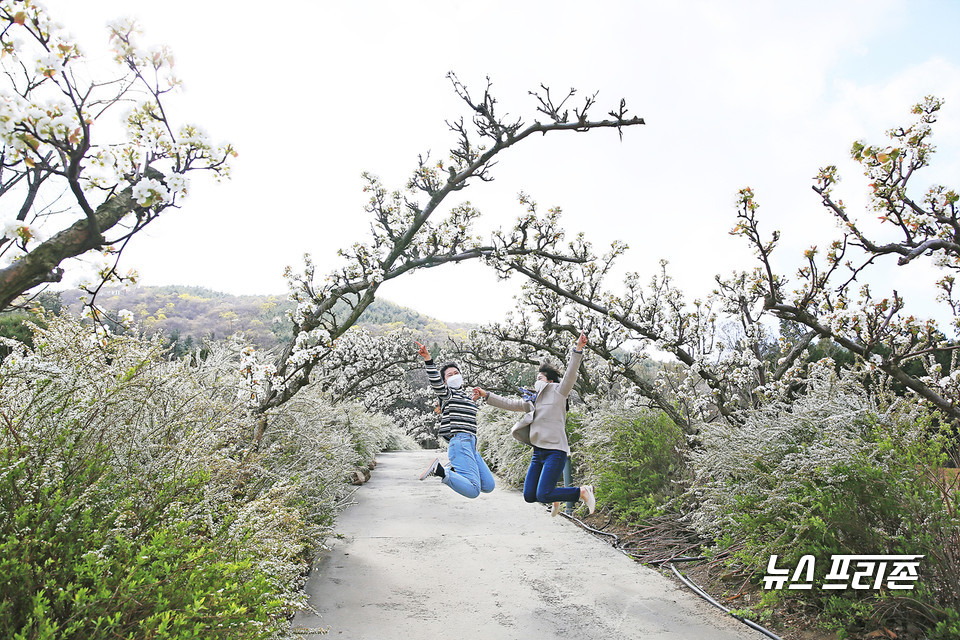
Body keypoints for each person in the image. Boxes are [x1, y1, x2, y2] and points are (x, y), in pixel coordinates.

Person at [473, 333, 595, 516]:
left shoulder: (559, 392)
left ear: (550, 381)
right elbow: (509, 403)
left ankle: (581, 492)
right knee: (530, 495)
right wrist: (486, 395)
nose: (537, 380)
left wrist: (577, 350)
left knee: (543, 492)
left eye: (541, 377)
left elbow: (570, 374)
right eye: (536, 378)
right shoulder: (532, 400)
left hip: (555, 450)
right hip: (538, 452)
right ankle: (555, 496)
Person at [415, 341, 495, 499]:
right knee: (473, 490)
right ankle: (440, 470)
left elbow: (464, 413)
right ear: (445, 381)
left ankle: (452, 467)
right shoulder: (447, 394)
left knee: (488, 486)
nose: (454, 376)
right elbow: (435, 382)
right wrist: (428, 359)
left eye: (456, 373)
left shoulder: (464, 396)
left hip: (471, 445)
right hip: (460, 441)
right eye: (449, 375)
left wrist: (473, 400)